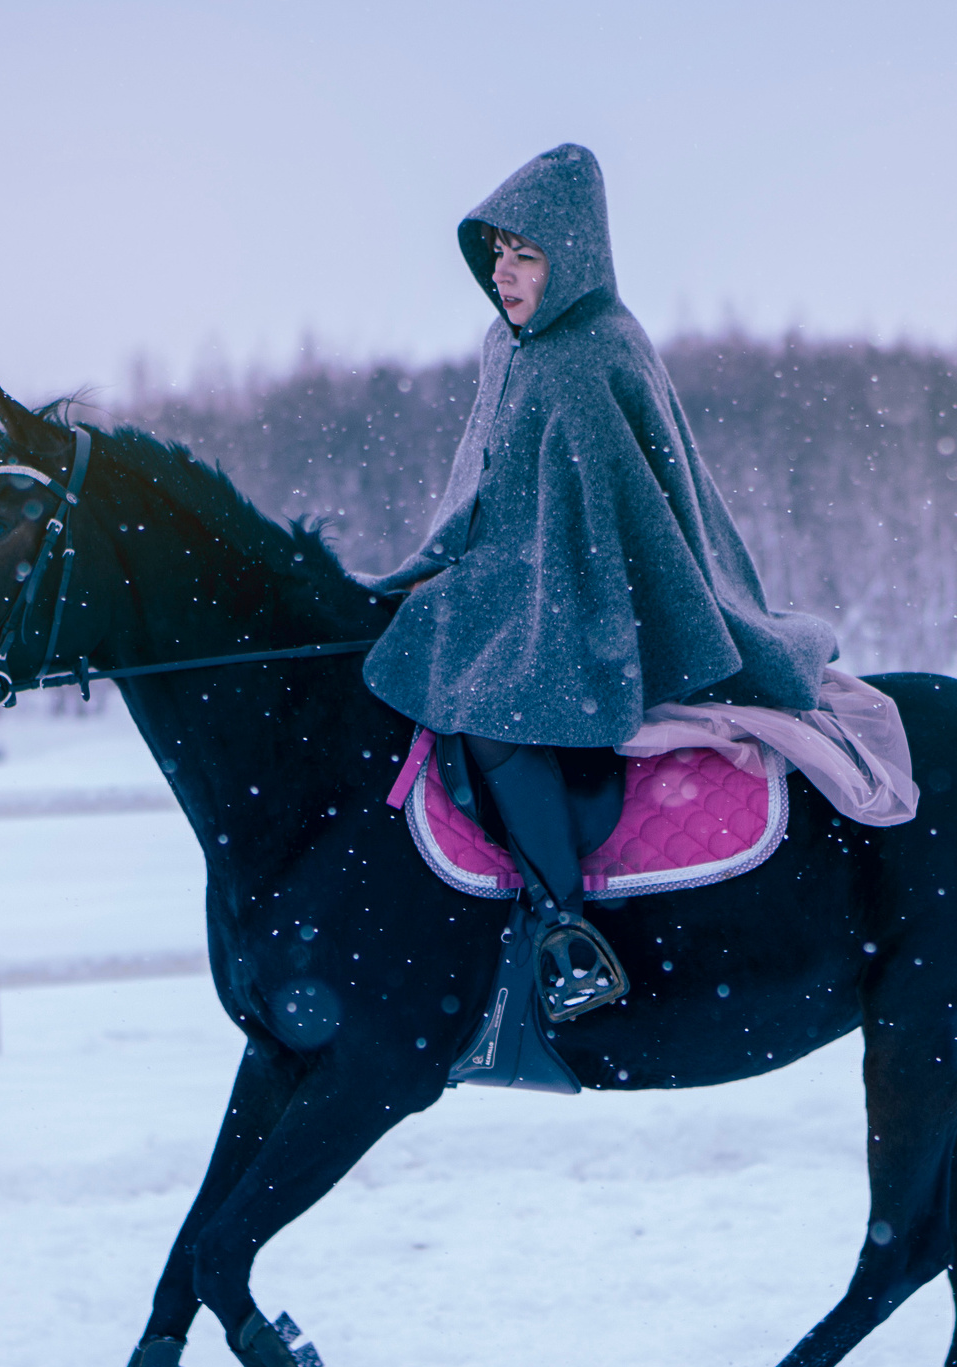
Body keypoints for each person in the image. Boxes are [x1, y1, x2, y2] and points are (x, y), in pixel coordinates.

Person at [360, 143, 840, 1090]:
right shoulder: (509, 349)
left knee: (491, 716)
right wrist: (429, 572)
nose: (505, 274)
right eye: (497, 253)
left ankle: (565, 928)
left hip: (599, 609)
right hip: (520, 587)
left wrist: (481, 593)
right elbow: (486, 491)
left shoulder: (593, 356)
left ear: (572, 258)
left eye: (526, 255)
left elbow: (596, 531)